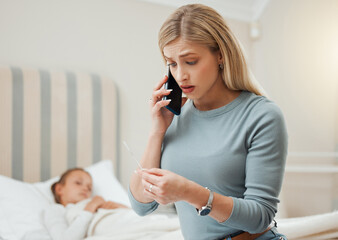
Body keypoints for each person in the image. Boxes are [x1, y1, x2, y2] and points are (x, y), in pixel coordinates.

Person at [129, 4, 288, 240]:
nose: (180, 75)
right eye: (172, 63)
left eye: (190, 61)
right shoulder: (174, 116)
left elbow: (260, 216)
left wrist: (188, 192)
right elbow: (141, 205)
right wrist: (157, 131)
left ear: (221, 54)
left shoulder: (262, 116)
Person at [44, 168, 128, 240]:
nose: (85, 188)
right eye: (78, 183)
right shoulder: (56, 209)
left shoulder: (95, 203)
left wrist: (119, 207)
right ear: (59, 189)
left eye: (89, 188)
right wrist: (90, 207)